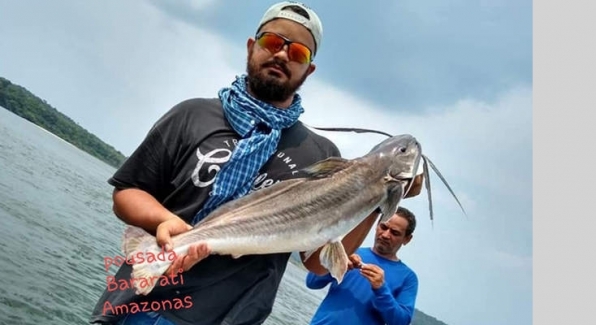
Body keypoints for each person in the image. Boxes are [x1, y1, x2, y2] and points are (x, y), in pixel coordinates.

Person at [88, 2, 423, 325]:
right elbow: (128, 192)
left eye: (298, 53)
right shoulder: (192, 115)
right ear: (252, 46)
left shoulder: (320, 153)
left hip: (229, 317)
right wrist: (163, 221)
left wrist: (375, 199)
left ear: (309, 69)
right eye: (273, 42)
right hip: (139, 304)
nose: (281, 54)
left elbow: (318, 265)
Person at [305, 206, 419, 325]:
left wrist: (381, 289)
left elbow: (401, 322)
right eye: (383, 227)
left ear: (407, 239)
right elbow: (311, 282)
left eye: (395, 233)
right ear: (377, 225)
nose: (385, 235)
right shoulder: (348, 252)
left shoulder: (408, 278)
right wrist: (338, 264)